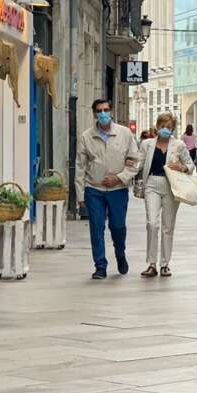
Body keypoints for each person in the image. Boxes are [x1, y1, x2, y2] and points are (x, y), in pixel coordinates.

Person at [75, 98, 142, 280]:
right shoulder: (86, 137)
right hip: (94, 189)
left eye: (105, 109)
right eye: (99, 110)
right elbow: (80, 166)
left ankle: (120, 253)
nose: (103, 113)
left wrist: (119, 178)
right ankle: (100, 266)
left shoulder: (125, 133)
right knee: (96, 227)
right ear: (94, 114)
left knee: (117, 226)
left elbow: (135, 161)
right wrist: (80, 194)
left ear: (110, 111)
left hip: (118, 189)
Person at [136, 112, 196, 279]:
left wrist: (182, 167)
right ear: (157, 126)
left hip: (171, 186)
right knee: (152, 223)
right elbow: (137, 163)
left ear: (173, 129)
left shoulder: (179, 145)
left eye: (168, 127)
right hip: (151, 185)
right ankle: (151, 263)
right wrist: (127, 164)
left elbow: (191, 165)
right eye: (162, 126)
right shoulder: (147, 144)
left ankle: (165, 264)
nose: (165, 129)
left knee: (168, 226)